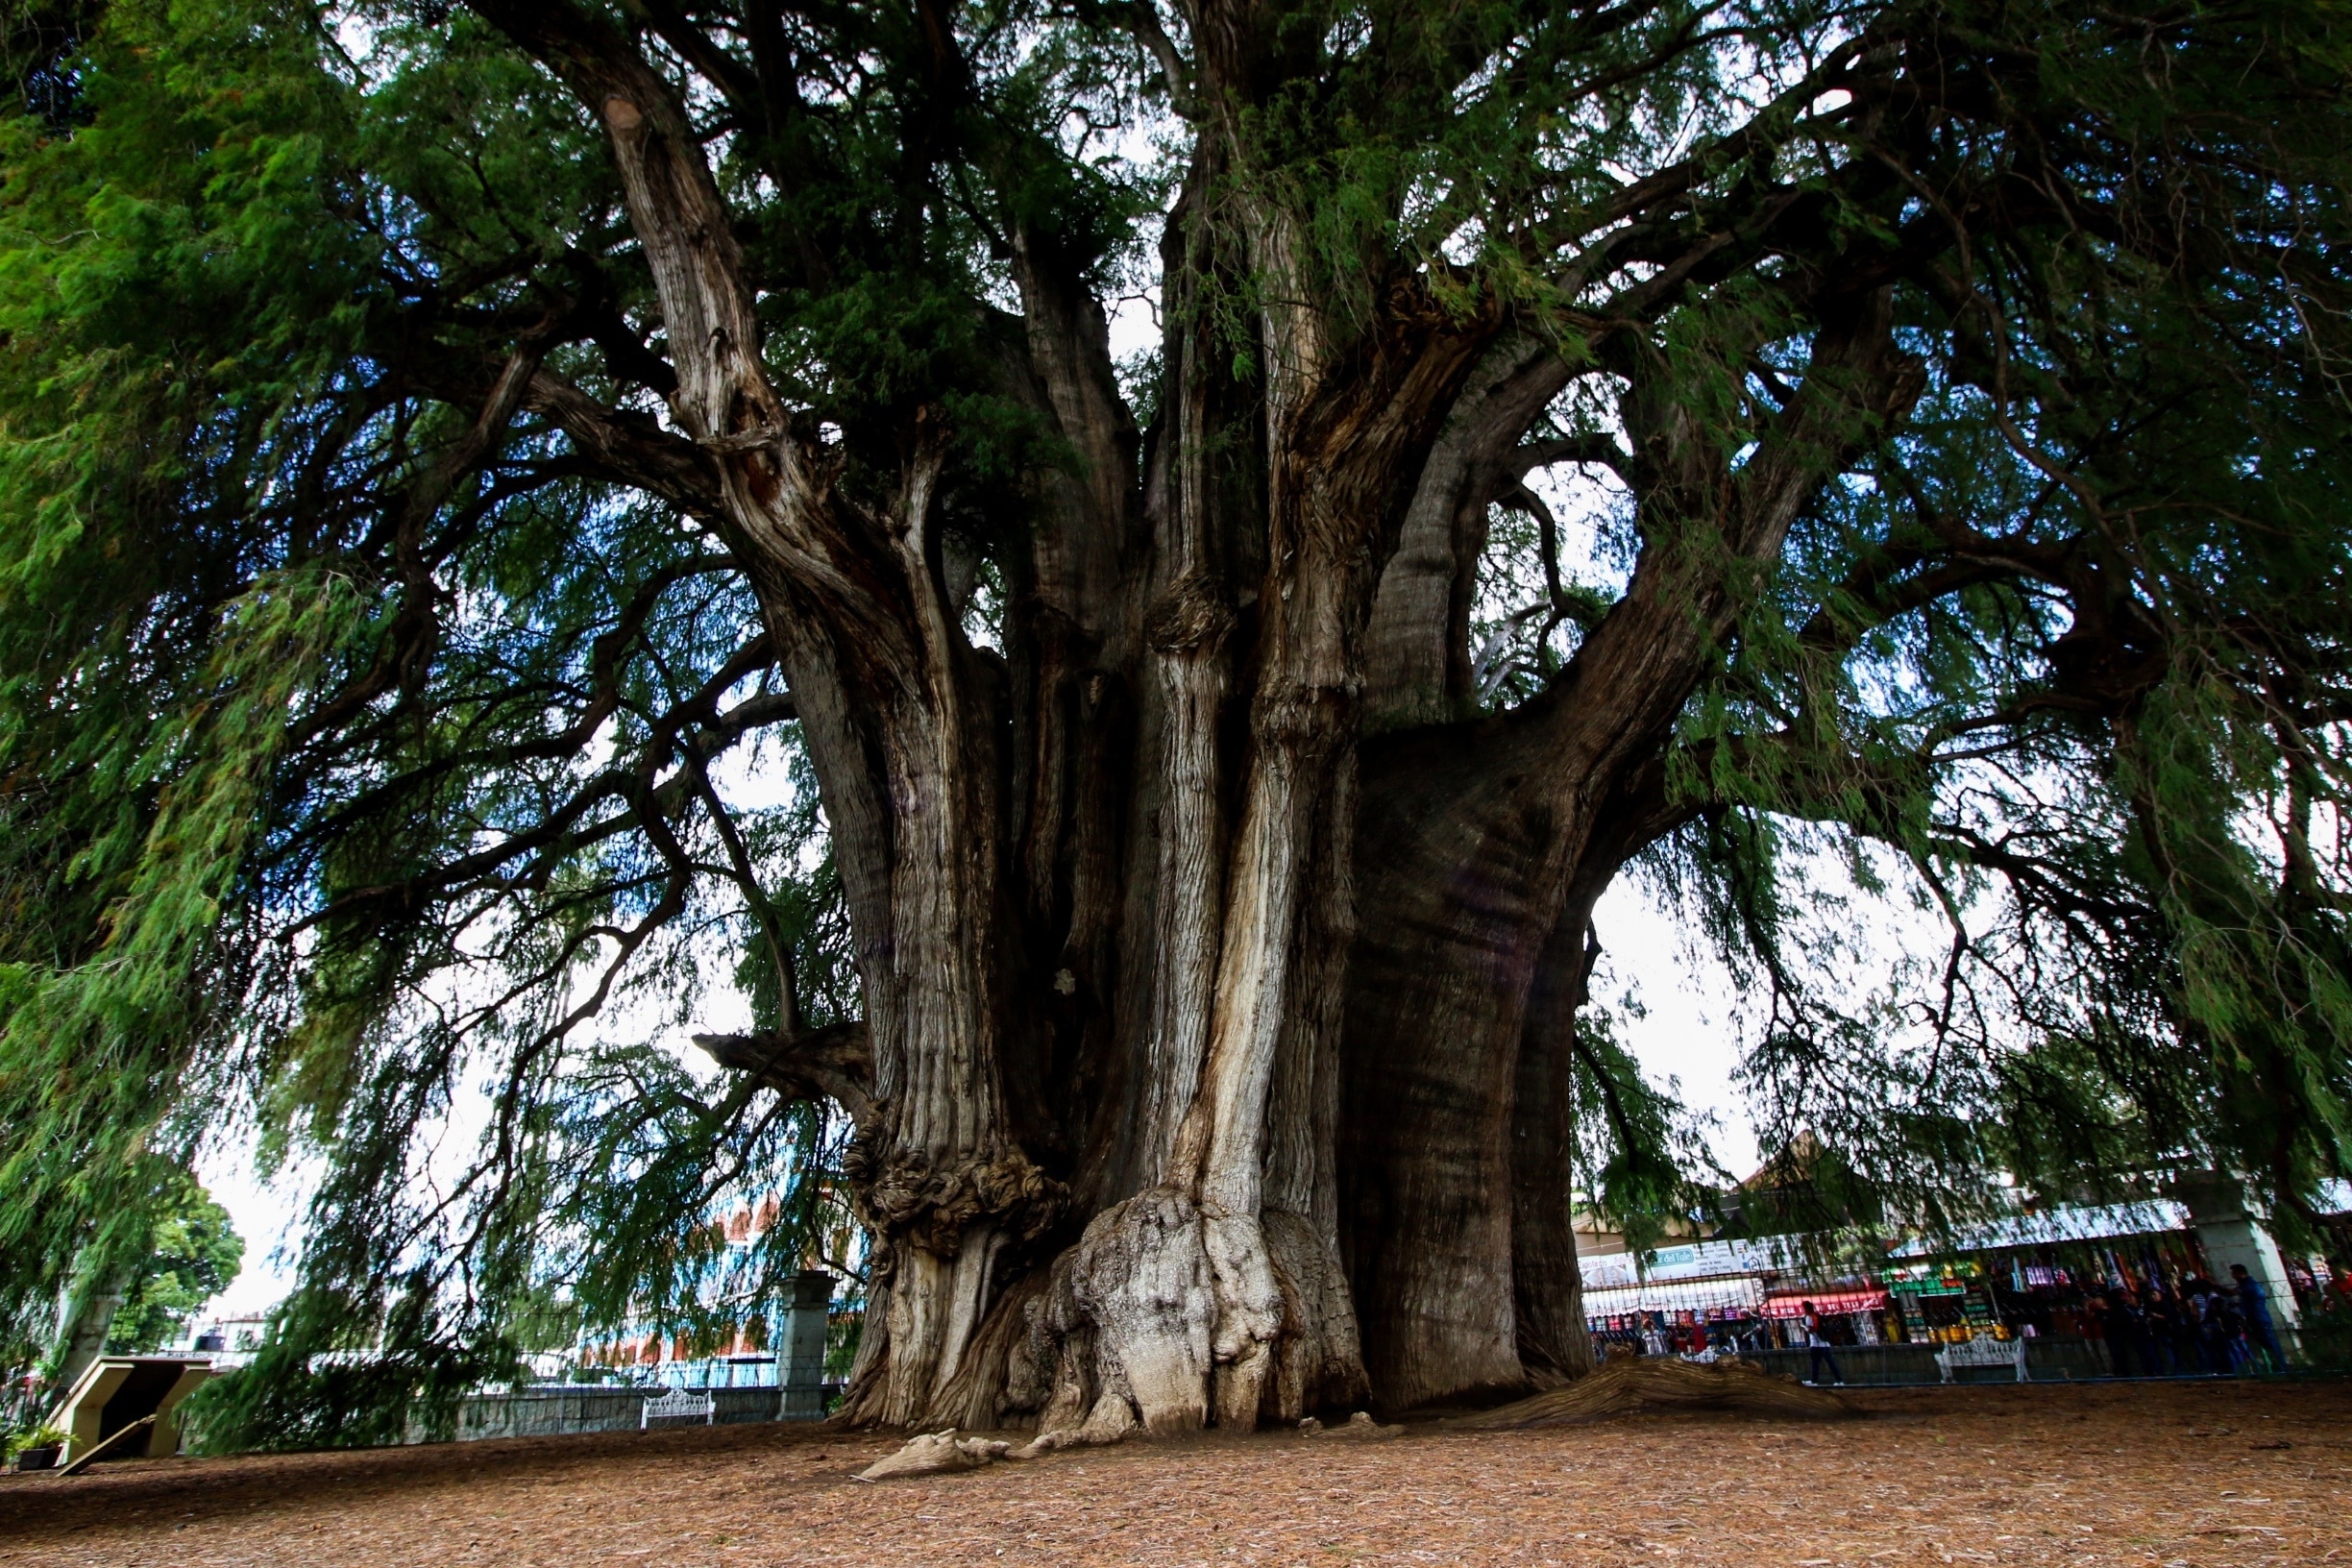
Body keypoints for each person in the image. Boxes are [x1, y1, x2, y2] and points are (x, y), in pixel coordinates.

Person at [2232, 1264, 2288, 1372]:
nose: (2233, 1276)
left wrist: (2214, 1286)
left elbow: (2232, 1293)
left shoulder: (2249, 1285)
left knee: (2270, 1342)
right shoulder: (2245, 1285)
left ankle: (2281, 1366)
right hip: (2254, 1318)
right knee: (2264, 1343)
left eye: (2234, 1273)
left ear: (2241, 1273)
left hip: (2259, 1318)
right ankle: (2275, 1366)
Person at [1801, 1301, 1846, 1386]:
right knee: (1831, 1363)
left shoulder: (1809, 1317)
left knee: (1815, 1363)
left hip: (1816, 1344)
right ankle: (1839, 1380)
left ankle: (1814, 1381)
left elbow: (1811, 1330)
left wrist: (1805, 1328)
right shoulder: (1818, 1316)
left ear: (1806, 1308)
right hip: (1825, 1343)